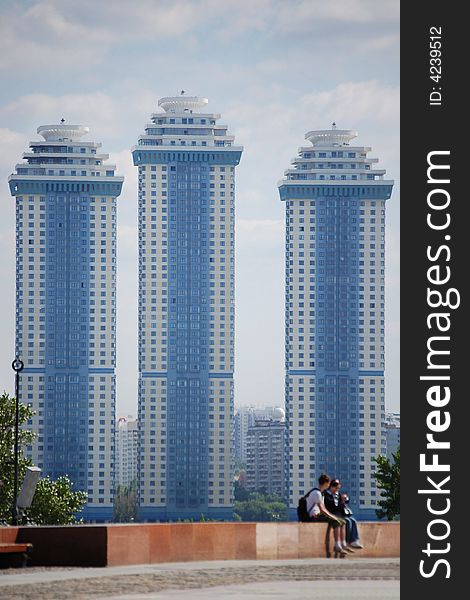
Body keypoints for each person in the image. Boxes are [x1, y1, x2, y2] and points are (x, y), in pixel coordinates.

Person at [306, 474, 348, 557]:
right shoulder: (317, 493)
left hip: (319, 514)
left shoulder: (321, 493)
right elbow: (322, 509)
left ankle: (342, 543)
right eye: (328, 483)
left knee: (342, 521)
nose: (329, 485)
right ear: (325, 483)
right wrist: (332, 516)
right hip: (315, 515)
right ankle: (337, 545)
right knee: (336, 521)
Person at [324, 479, 363, 549]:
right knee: (347, 521)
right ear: (331, 487)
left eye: (338, 488)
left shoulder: (337, 494)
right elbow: (332, 507)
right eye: (336, 488)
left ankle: (354, 540)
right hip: (333, 514)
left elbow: (342, 504)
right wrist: (341, 502)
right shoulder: (327, 495)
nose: (337, 489)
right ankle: (348, 541)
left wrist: (344, 500)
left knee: (353, 520)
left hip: (340, 514)